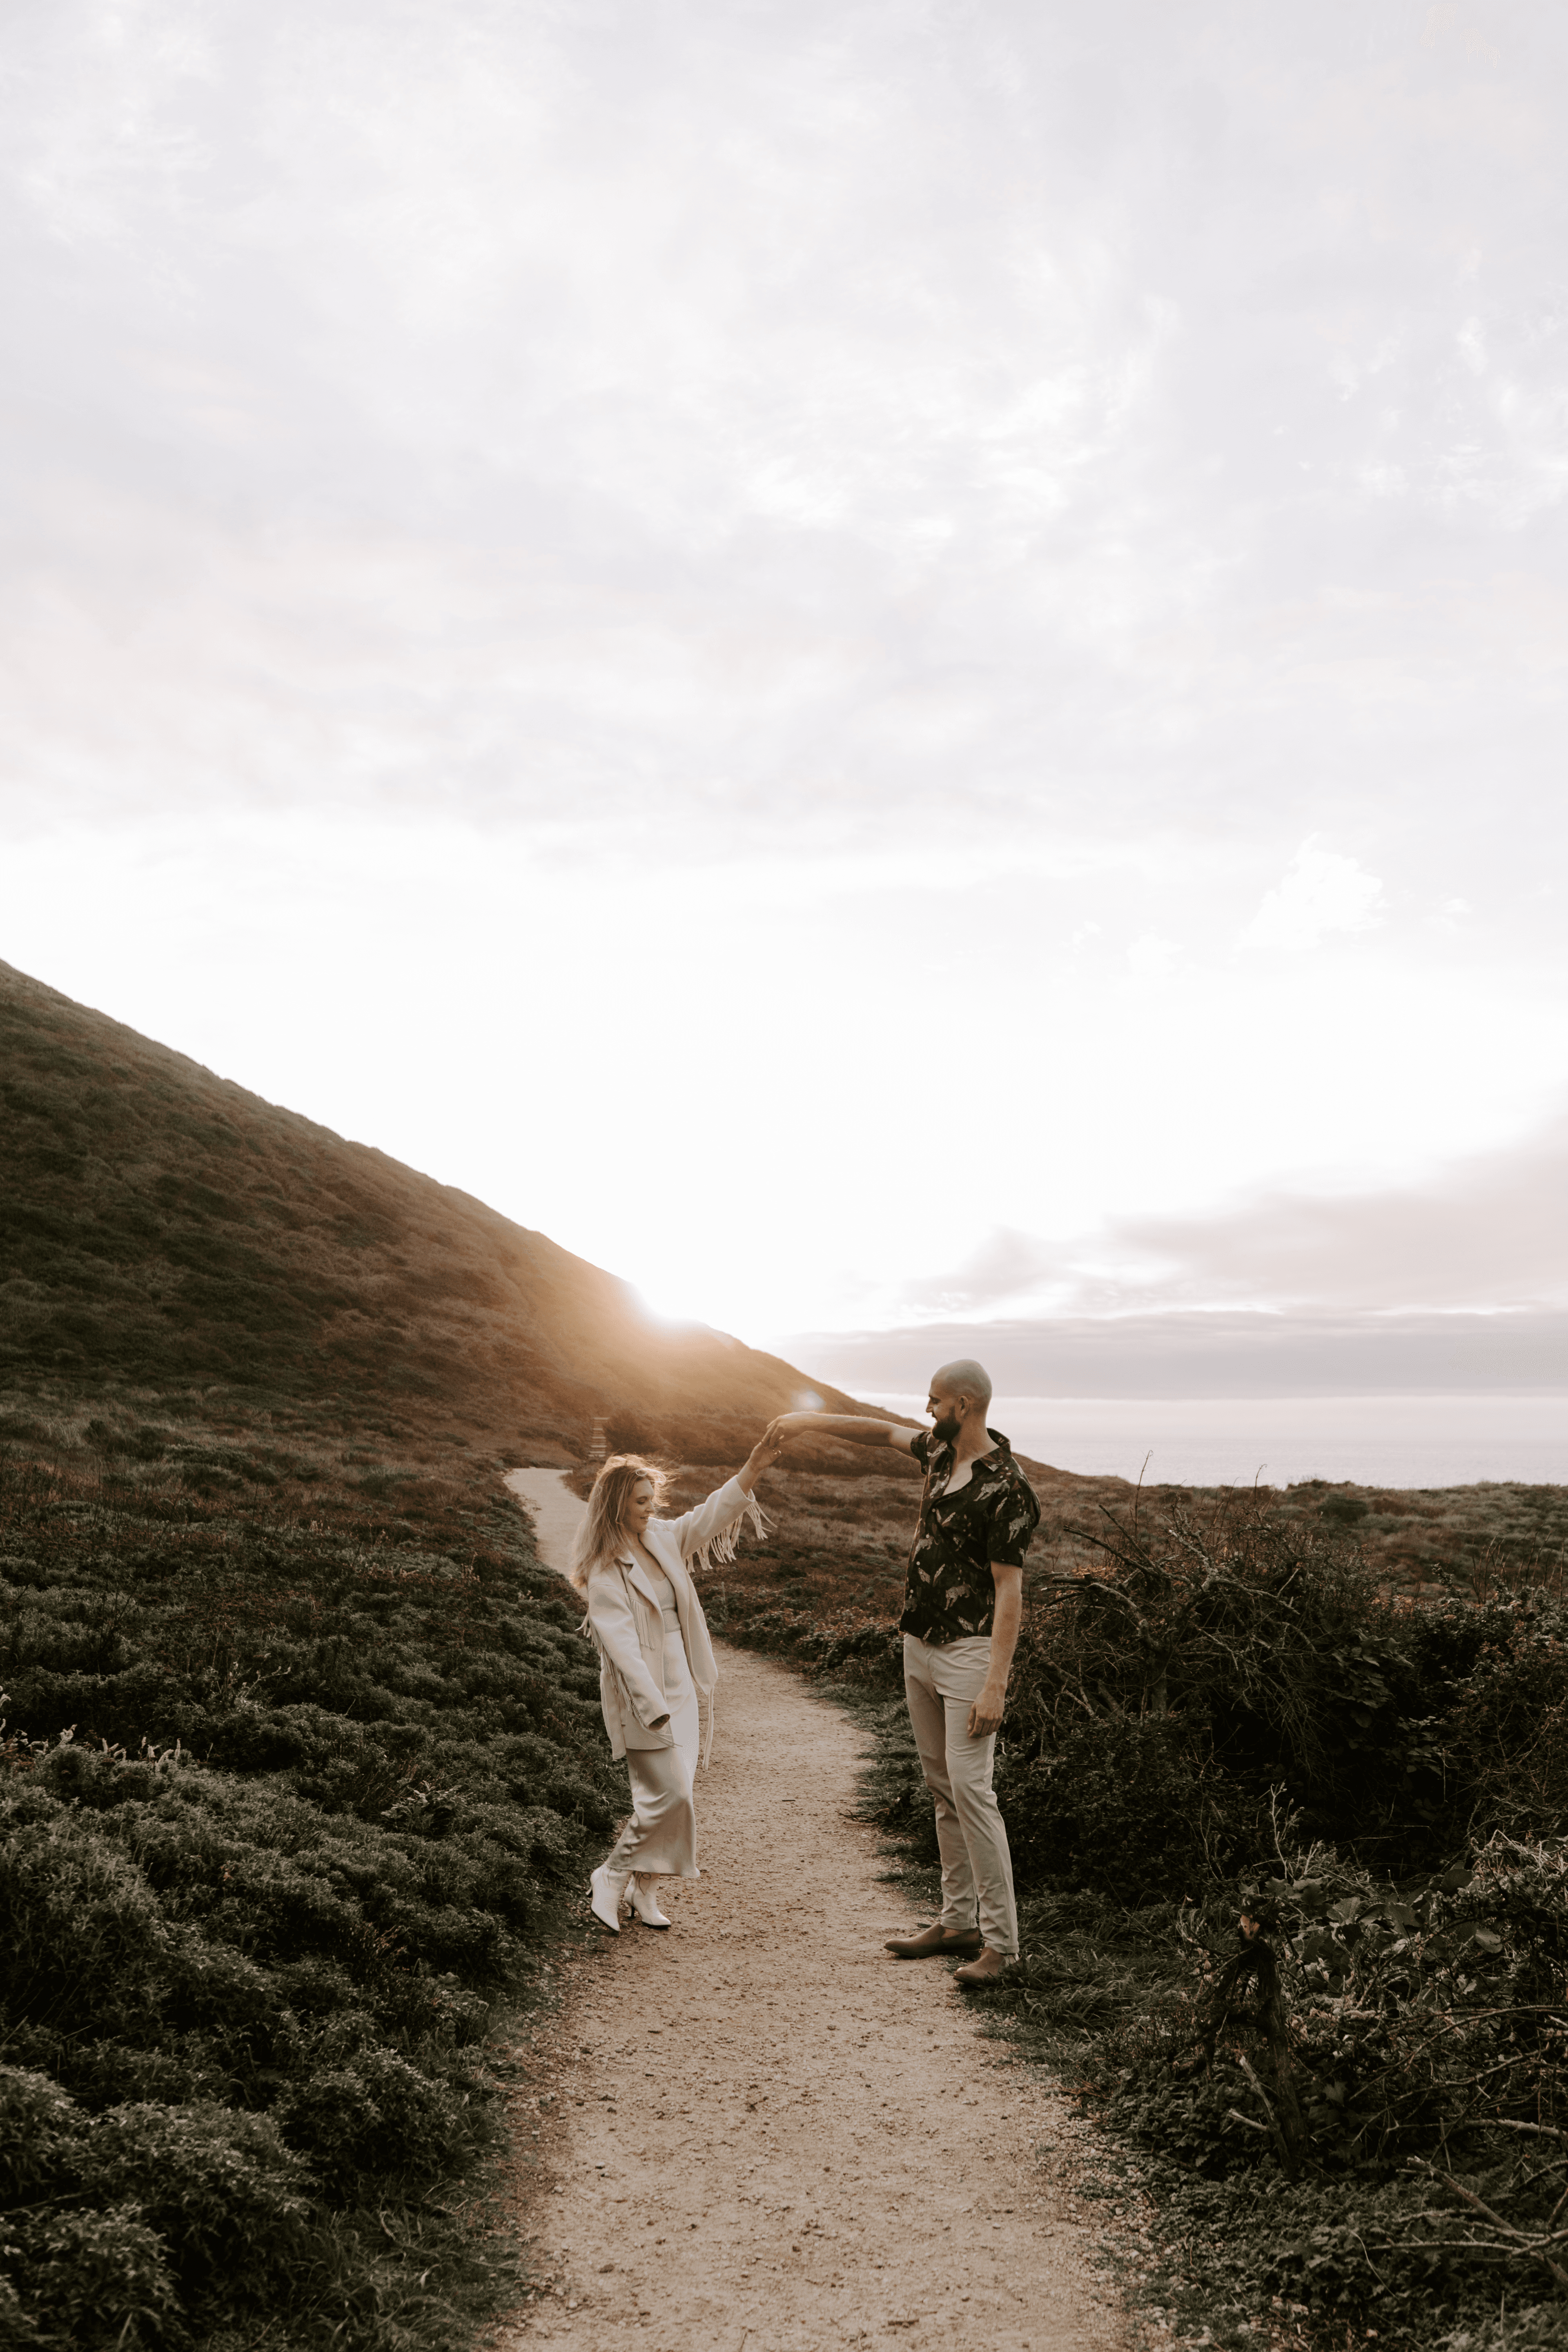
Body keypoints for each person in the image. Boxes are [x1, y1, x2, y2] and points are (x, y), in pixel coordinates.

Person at [767, 1361, 1038, 1985]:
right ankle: (957, 1922)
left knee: (974, 1794)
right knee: (942, 1787)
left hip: (970, 1654)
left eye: (936, 1401)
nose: (926, 1410)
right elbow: (880, 1433)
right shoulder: (939, 1456)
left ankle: (1002, 1947)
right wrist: (811, 1422)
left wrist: (996, 1684)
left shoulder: (1008, 1489)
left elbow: (1010, 1594)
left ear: (964, 1405)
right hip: (919, 1644)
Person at [570, 1433, 782, 1934]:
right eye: (641, 1501)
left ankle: (645, 1892)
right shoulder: (603, 1569)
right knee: (669, 1796)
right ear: (616, 1504)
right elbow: (621, 1649)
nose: (651, 1508)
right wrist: (651, 1706)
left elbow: (710, 1516)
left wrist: (751, 1467)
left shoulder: (662, 1537)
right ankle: (612, 1872)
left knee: (678, 1790)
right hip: (641, 1695)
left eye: (652, 1500)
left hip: (681, 1682)